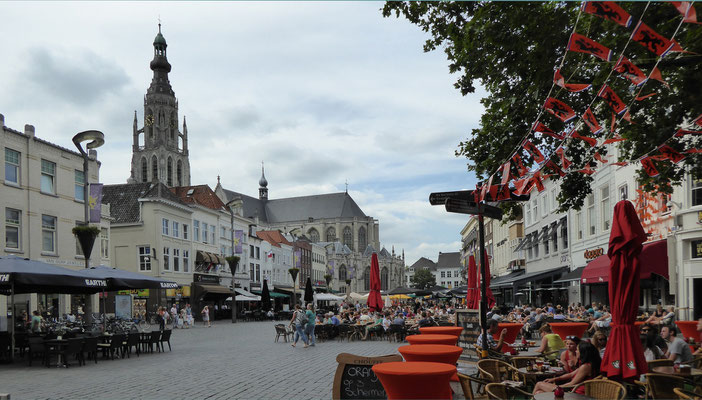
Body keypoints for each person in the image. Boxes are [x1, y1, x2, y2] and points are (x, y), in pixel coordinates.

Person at [533, 341, 601, 395]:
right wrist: (554, 379)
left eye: (577, 350)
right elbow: (571, 374)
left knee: (539, 384)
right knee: (538, 393)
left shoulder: (586, 366)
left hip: (576, 394)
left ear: (583, 352)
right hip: (574, 390)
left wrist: (558, 387)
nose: (576, 351)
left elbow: (571, 384)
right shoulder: (589, 364)